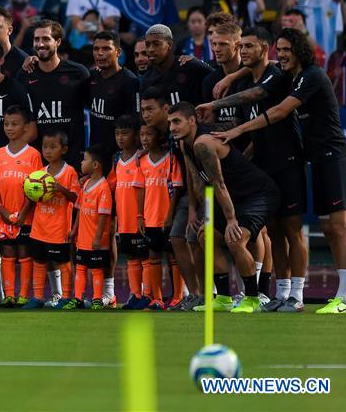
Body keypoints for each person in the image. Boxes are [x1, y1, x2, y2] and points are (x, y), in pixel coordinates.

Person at [213, 29, 346, 314]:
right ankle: (341, 295)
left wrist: (237, 130)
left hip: (334, 155)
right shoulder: (290, 76)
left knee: (339, 226)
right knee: (326, 228)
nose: (281, 55)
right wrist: (232, 76)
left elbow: (279, 112)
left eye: (286, 49)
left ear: (300, 50)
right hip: (317, 158)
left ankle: (344, 297)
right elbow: (261, 75)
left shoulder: (312, 75)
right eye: (278, 50)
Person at [196, 27, 308, 311]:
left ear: (265, 49)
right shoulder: (246, 78)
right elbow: (250, 79)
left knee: (293, 231)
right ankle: (278, 293)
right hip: (264, 164)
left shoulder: (277, 75)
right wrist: (234, 75)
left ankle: (296, 295)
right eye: (242, 46)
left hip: (288, 162)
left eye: (248, 46)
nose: (243, 51)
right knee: (273, 231)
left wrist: (216, 103)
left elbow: (257, 93)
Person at [170, 102, 277, 314]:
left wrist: (230, 220)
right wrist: (208, 217)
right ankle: (225, 298)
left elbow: (218, 184)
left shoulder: (204, 144)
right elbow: (198, 182)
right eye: (170, 123)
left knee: (235, 239)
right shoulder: (185, 145)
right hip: (233, 198)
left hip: (257, 195)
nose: (172, 127)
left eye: (177, 121)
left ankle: (253, 298)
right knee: (206, 237)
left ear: (192, 121)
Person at [0, 105, 43, 306]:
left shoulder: (34, 155)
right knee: (8, 253)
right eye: (6, 124)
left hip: (25, 216)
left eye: (14, 124)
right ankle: (9, 294)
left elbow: (36, 186)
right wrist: (1, 209)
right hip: (4, 215)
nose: (9, 128)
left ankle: (24, 296)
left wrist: (24, 212)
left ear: (26, 127)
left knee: (24, 254)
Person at [20, 19, 89, 166]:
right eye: (36, 39)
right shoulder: (24, 75)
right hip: (37, 161)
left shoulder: (78, 73)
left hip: (72, 160)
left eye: (46, 39)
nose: (40, 44)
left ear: (58, 42)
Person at [26, 128, 79, 308]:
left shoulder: (70, 171)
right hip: (39, 227)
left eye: (52, 147)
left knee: (62, 263)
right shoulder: (39, 173)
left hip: (59, 228)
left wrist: (59, 188)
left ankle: (65, 297)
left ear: (63, 149)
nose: (47, 151)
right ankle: (38, 297)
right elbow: (32, 198)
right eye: (45, 147)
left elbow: (75, 198)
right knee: (39, 262)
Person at [138, 123, 184, 310]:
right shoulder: (141, 161)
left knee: (174, 257)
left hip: (168, 218)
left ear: (160, 136)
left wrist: (170, 214)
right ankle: (157, 298)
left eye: (149, 134)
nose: (144, 138)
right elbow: (140, 189)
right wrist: (140, 215)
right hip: (150, 218)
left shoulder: (171, 159)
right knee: (153, 256)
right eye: (141, 134)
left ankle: (178, 297)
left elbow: (177, 188)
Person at [63, 146, 112, 309]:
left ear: (96, 165)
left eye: (85, 159)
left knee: (96, 269)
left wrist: (98, 237)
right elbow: (80, 208)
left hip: (96, 239)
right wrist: (74, 229)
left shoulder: (103, 187)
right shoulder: (86, 184)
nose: (81, 162)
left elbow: (104, 215)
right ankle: (77, 298)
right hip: (82, 238)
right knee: (81, 267)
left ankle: (97, 298)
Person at [112, 114, 149, 309]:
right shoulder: (116, 159)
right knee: (132, 258)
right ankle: (135, 294)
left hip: (141, 218)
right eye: (117, 134)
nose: (120, 138)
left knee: (146, 258)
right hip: (124, 219)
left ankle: (149, 294)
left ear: (136, 135)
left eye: (125, 134)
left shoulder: (143, 157)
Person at [88, 31, 140, 155]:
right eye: (96, 49)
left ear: (118, 52)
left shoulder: (130, 81)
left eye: (106, 49)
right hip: (95, 153)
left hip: (119, 155)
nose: (100, 53)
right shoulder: (91, 77)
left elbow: (136, 122)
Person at [283, 0, 343, 64]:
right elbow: (278, 30)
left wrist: (342, 4)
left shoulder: (332, 4)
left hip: (326, 66)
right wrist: (284, 8)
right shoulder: (293, 3)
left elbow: (344, 31)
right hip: (300, 65)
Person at [141, 24, 214, 106]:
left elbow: (217, 77)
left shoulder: (190, 66)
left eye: (156, 44)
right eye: (147, 45)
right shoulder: (146, 80)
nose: (151, 49)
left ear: (170, 45)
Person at [200, 22, 244, 132]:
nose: (216, 49)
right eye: (214, 44)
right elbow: (210, 122)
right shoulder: (210, 80)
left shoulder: (251, 74)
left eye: (223, 44)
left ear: (238, 46)